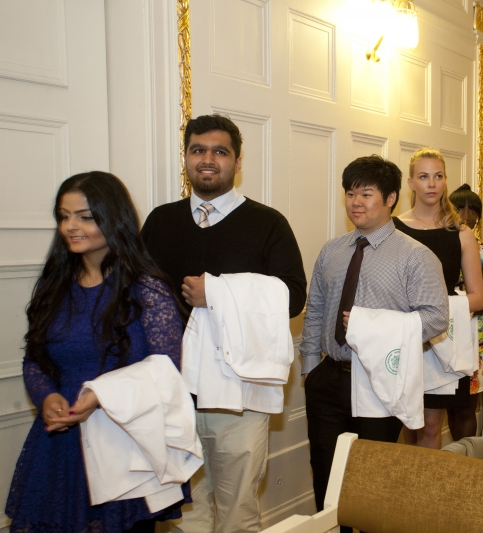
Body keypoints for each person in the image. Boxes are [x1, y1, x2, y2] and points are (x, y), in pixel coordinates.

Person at [141, 114, 307, 533]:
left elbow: (293, 296)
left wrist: (215, 294)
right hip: (173, 390)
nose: (208, 159)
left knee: (236, 511)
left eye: (220, 151)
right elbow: (135, 293)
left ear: (236, 161)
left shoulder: (268, 223)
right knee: (183, 513)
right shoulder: (160, 221)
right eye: (198, 150)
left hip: (238, 392)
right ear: (186, 158)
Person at [5, 172, 187, 533]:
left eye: (85, 217)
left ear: (114, 219)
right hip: (60, 441)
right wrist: (46, 395)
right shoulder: (55, 285)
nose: (71, 226)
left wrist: (101, 397)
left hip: (123, 441)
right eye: (64, 215)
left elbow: (168, 371)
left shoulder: (147, 291)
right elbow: (35, 358)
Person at [299, 155, 449, 520]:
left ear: (392, 197)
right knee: (327, 473)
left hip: (382, 380)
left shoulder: (416, 256)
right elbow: (315, 309)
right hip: (330, 376)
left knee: (370, 479)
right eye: (350, 194)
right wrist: (309, 369)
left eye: (366, 194)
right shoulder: (332, 251)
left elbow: (436, 318)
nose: (356, 203)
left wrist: (373, 325)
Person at [394, 148, 483, 449]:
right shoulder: (392, 228)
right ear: (411, 183)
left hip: (442, 339)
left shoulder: (460, 233)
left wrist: (434, 312)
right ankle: (409, 491)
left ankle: (428, 492)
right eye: (423, 176)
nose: (431, 183)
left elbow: (478, 296)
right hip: (402, 337)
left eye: (438, 176)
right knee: (408, 420)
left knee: (431, 425)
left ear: (445, 181)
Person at [447, 183, 483, 440]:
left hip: (474, 338)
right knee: (446, 407)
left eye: (473, 209)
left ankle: (467, 468)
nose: (466, 214)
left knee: (467, 409)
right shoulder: (441, 248)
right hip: (441, 336)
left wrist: (454, 299)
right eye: (459, 208)